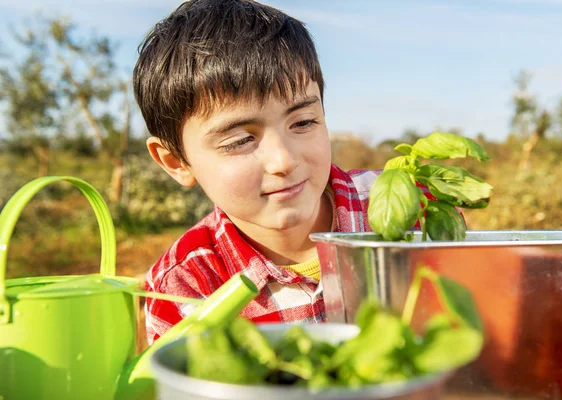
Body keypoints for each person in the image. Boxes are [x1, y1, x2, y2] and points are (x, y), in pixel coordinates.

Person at [133, 0, 432, 343]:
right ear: (176, 162)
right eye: (239, 140)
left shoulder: (408, 207)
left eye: (303, 122)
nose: (284, 161)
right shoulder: (184, 287)